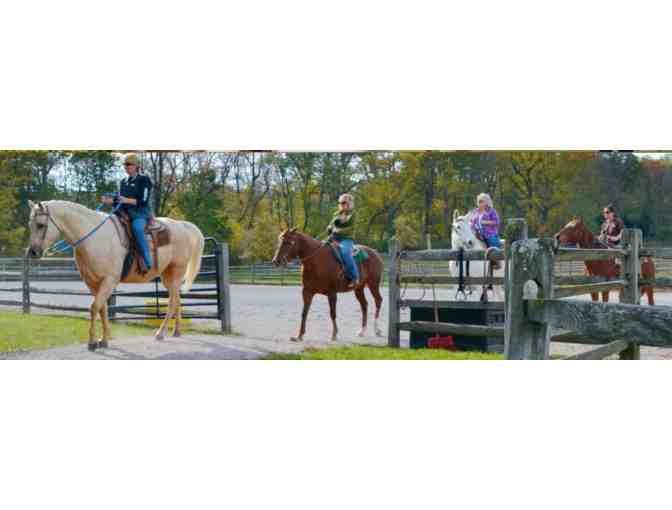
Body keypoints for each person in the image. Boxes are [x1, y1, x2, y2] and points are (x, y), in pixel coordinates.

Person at [102, 154, 154, 272]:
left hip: (140, 212)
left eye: (129, 164)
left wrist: (126, 200)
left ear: (136, 166)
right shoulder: (123, 181)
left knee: (137, 228)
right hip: (123, 212)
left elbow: (143, 200)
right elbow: (120, 200)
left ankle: (148, 260)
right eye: (125, 165)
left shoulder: (144, 179)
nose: (126, 167)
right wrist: (111, 201)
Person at [327, 193, 359, 288]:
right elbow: (331, 225)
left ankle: (355, 278)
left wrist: (337, 231)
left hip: (346, 239)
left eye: (344, 202)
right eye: (340, 202)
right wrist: (329, 228)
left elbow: (351, 228)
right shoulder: (336, 214)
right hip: (334, 238)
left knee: (345, 253)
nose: (341, 204)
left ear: (349, 203)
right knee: (321, 249)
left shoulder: (353, 214)